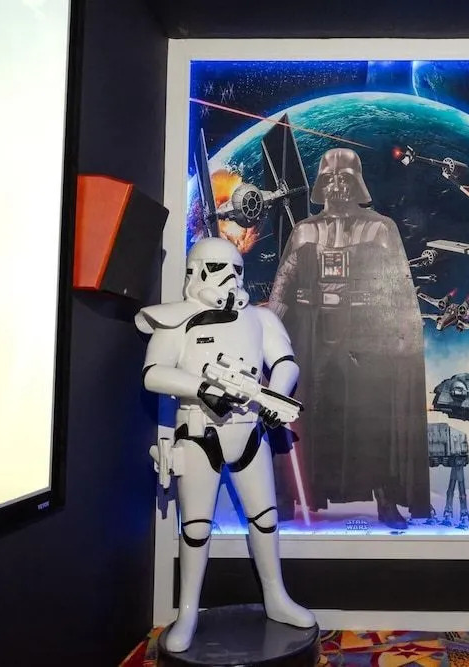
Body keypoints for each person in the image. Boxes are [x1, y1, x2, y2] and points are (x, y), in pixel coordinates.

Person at [136, 237, 315, 653]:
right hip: (199, 433)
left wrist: (275, 396)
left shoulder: (259, 318)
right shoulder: (176, 320)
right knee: (196, 527)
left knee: (265, 519)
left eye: (236, 270)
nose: (230, 278)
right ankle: (187, 612)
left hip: (250, 429)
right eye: (219, 269)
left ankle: (276, 597)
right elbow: (153, 373)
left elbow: (285, 362)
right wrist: (202, 388)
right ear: (196, 272)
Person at [267, 148, 430, 529]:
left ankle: (386, 497)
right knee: (303, 411)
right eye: (330, 178)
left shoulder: (380, 228)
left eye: (345, 178)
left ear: (358, 183)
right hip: (311, 332)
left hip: (364, 335)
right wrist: (267, 328)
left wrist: (405, 333)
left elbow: (399, 285)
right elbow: (283, 285)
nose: (338, 185)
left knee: (372, 417)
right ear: (321, 183)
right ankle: (288, 495)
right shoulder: (305, 230)